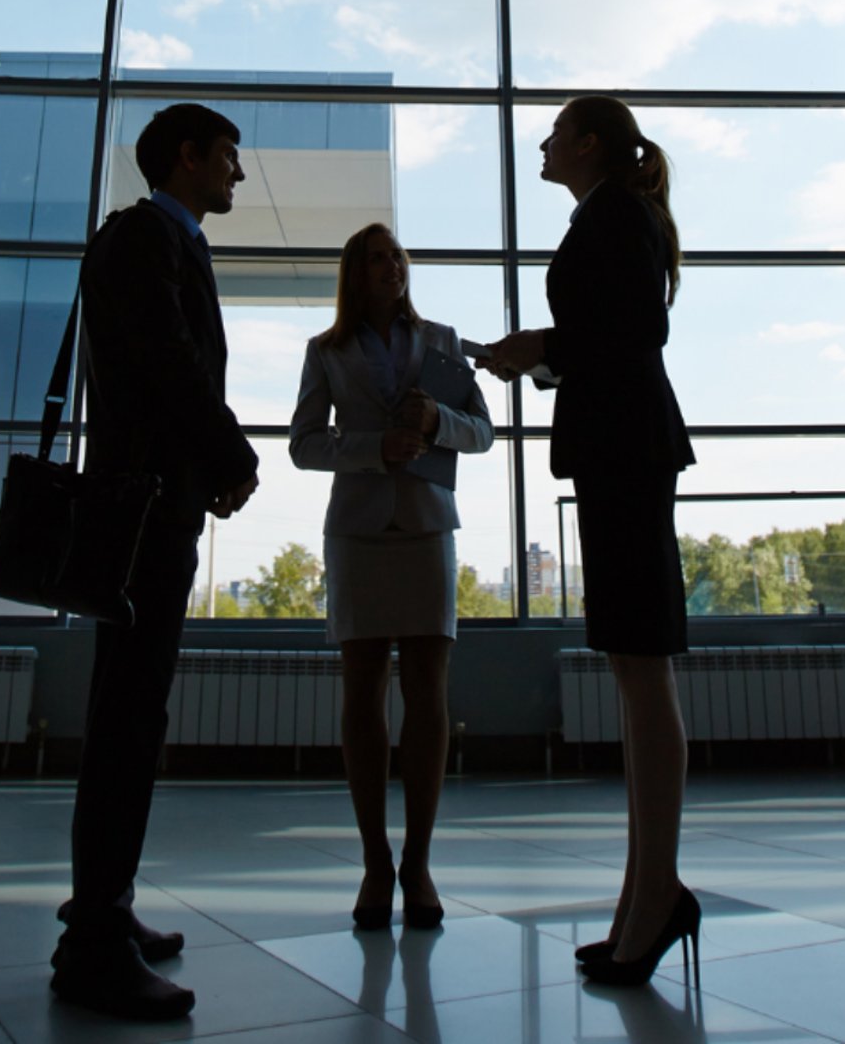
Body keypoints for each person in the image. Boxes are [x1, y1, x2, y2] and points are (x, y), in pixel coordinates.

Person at [477, 96, 698, 986]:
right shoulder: (609, 214)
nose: (543, 141)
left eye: (558, 131)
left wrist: (544, 342)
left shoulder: (617, 214)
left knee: (642, 669)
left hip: (628, 449)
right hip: (621, 449)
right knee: (633, 666)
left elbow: (640, 332)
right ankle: (645, 894)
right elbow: (612, 336)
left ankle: (655, 897)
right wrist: (542, 356)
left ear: (592, 143)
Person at [52, 102, 261, 1021]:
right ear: (187, 157)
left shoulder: (157, 240)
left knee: (130, 711)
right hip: (143, 516)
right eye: (227, 157)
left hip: (152, 505)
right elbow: (171, 365)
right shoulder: (145, 240)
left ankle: (105, 908)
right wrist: (232, 454)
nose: (237, 175)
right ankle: (92, 940)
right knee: (130, 717)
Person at [288, 223, 494, 931]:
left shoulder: (443, 339)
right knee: (363, 694)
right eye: (377, 259)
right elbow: (304, 445)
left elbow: (484, 430)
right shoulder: (327, 350)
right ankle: (376, 861)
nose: (392, 268)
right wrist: (378, 448)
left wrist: (437, 419)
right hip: (359, 531)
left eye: (398, 257)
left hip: (429, 527)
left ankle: (420, 862)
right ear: (354, 272)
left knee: (428, 696)